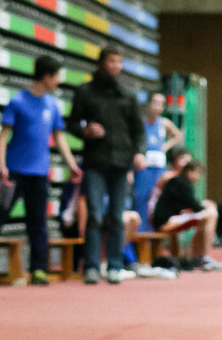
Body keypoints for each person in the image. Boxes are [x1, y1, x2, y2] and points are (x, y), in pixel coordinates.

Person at [67, 44, 146, 285]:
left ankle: (114, 265)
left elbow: (138, 131)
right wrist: (85, 131)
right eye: (112, 61)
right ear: (102, 62)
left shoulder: (127, 95)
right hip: (95, 162)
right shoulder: (85, 92)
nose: (116, 66)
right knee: (94, 215)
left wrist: (139, 153)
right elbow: (71, 124)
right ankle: (91, 266)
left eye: (119, 62)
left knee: (116, 215)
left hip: (121, 163)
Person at [0, 54, 82, 285]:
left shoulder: (52, 105)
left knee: (38, 223)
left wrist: (71, 165)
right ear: (46, 76)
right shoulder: (18, 102)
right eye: (56, 77)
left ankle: (38, 270)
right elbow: (3, 136)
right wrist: (2, 164)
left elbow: (59, 137)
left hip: (39, 173)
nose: (58, 82)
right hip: (14, 172)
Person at [152, 159, 222, 271]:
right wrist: (205, 206)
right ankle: (204, 257)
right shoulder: (180, 183)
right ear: (189, 172)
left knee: (207, 215)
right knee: (210, 214)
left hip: (168, 219)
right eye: (197, 173)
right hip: (165, 222)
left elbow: (190, 205)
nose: (198, 177)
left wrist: (203, 205)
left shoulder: (179, 182)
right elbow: (196, 207)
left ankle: (197, 256)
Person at [134, 92, 183, 231]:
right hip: (144, 167)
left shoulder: (164, 123)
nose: (158, 107)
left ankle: (155, 233)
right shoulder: (142, 123)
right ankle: (140, 233)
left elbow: (177, 135)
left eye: (161, 104)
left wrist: (165, 146)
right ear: (149, 104)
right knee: (141, 199)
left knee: (156, 200)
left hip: (158, 168)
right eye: (155, 103)